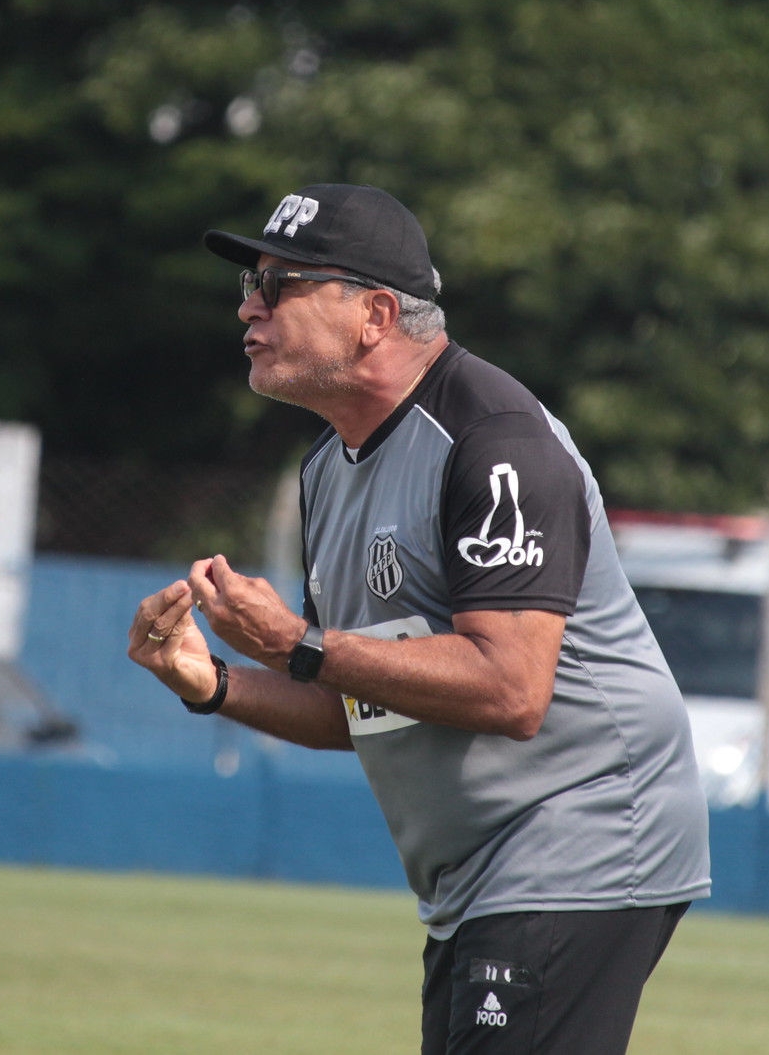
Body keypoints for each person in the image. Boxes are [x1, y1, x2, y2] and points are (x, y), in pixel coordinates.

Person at [128, 183, 709, 1054]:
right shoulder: (326, 469)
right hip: (482, 873)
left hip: (583, 832)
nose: (248, 306)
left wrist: (299, 643)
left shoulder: (497, 441)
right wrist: (213, 683)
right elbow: (359, 703)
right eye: (249, 283)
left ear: (375, 314)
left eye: (278, 284)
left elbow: (512, 689)